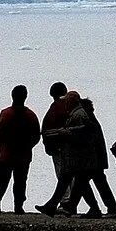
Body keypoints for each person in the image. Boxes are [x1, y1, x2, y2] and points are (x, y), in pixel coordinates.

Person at [0, 85, 42, 213]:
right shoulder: (31, 115)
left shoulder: (6, 113)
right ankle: (18, 206)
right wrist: (28, 147)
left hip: (6, 154)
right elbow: (36, 135)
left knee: (0, 180)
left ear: (12, 96)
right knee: (20, 181)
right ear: (25, 97)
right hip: (24, 155)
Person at [64, 96, 116, 218]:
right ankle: (98, 208)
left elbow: (87, 140)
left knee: (85, 182)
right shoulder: (92, 121)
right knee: (87, 182)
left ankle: (106, 208)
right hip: (95, 158)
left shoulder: (89, 123)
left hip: (92, 159)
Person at [35, 82, 76, 216]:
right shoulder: (72, 107)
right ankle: (71, 203)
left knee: (62, 174)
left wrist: (48, 144)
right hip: (73, 147)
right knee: (73, 176)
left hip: (59, 146)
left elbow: (48, 127)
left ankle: (65, 202)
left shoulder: (56, 107)